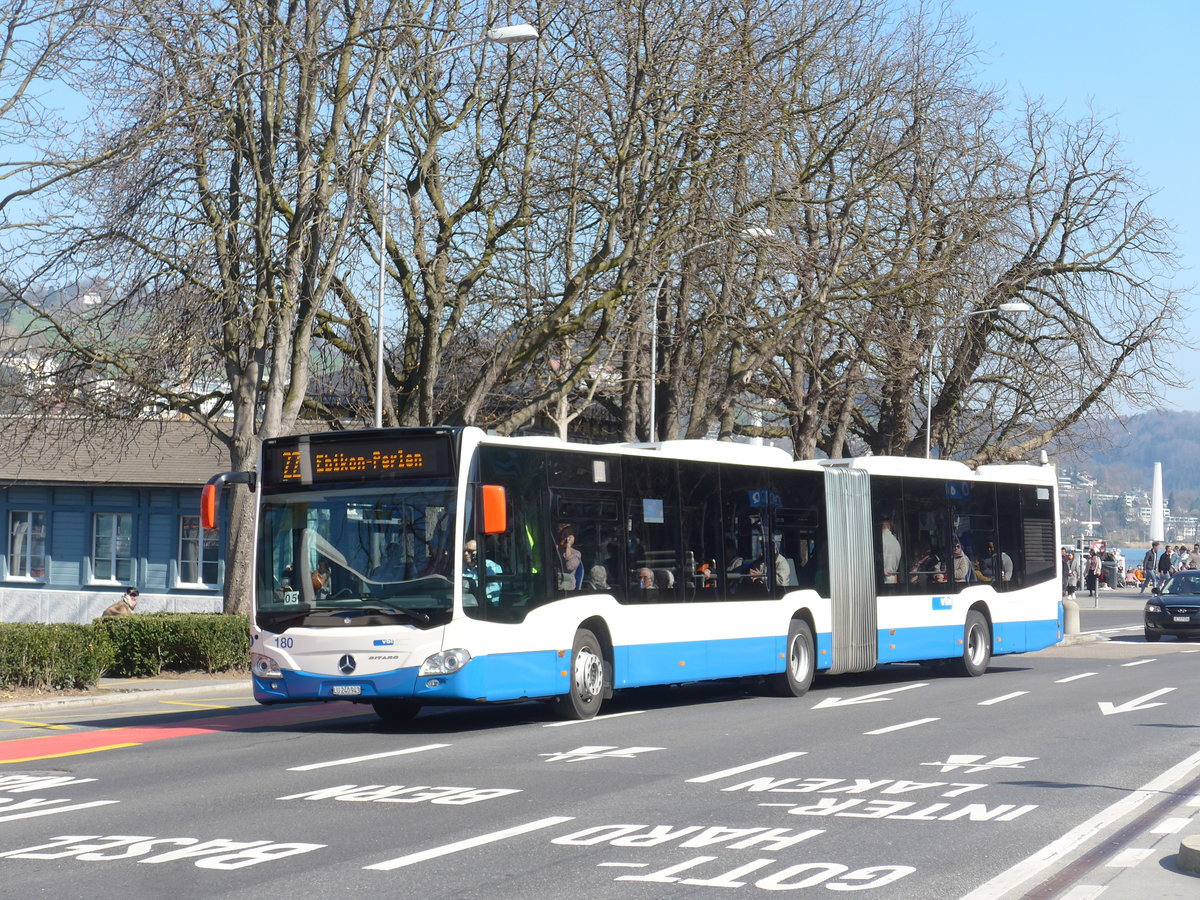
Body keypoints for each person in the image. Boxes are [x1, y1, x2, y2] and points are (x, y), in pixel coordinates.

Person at [556, 525, 582, 590]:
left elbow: (569, 567)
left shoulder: (576, 553)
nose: (561, 542)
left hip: (567, 585)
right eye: (560, 538)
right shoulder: (555, 550)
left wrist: (568, 546)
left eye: (564, 539)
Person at [880, 518, 902, 586]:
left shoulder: (880, 540)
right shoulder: (896, 542)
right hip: (893, 578)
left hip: (881, 579)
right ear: (890, 527)